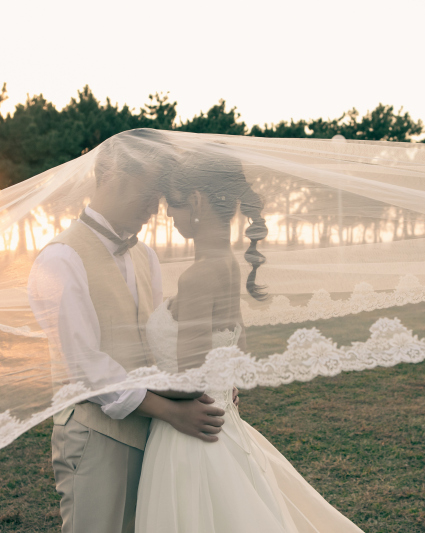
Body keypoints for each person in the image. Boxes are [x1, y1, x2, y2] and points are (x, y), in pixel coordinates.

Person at [135, 151, 364, 532]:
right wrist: (223, 385)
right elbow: (238, 350)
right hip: (224, 422)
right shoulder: (228, 264)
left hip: (189, 439)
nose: (169, 217)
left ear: (195, 200)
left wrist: (130, 385)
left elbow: (189, 381)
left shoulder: (197, 277)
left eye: (172, 205)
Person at [27, 131, 229, 533]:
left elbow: (157, 344)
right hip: (96, 438)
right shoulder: (60, 259)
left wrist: (208, 384)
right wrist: (172, 411)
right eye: (149, 191)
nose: (156, 207)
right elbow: (87, 367)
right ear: (115, 177)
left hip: (156, 436)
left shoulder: (145, 256)